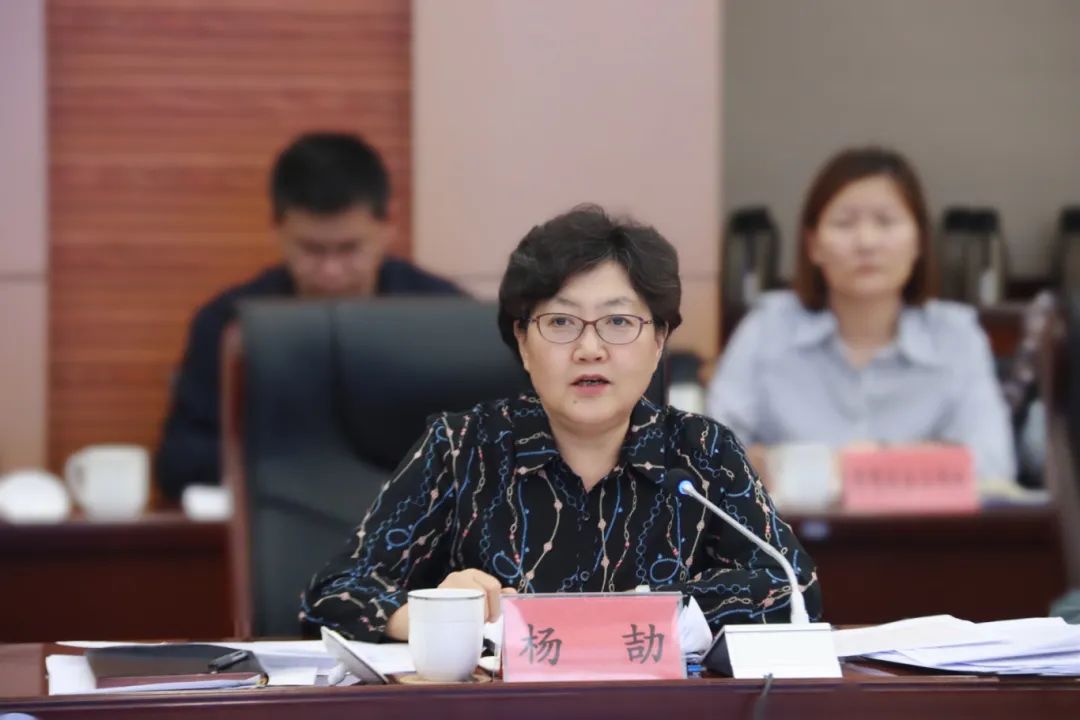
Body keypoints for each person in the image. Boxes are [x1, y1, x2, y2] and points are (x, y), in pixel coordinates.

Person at [301, 204, 820, 641]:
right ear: (523, 342)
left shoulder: (701, 452)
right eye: (561, 322)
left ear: (659, 340)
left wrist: (634, 617)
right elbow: (333, 596)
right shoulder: (462, 449)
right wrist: (433, 614)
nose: (590, 348)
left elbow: (792, 588)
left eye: (618, 321)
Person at [156, 132, 462, 500]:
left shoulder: (447, 317)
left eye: (349, 249)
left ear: (387, 228)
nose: (331, 272)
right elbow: (179, 462)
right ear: (278, 231)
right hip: (281, 517)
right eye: (312, 250)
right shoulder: (229, 324)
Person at [706, 147, 1016, 484]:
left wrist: (836, 466)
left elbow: (993, 465)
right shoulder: (767, 328)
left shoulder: (956, 335)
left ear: (919, 242)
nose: (866, 242)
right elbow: (709, 458)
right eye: (844, 223)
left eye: (885, 222)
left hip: (921, 521)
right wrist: (923, 461)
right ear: (813, 245)